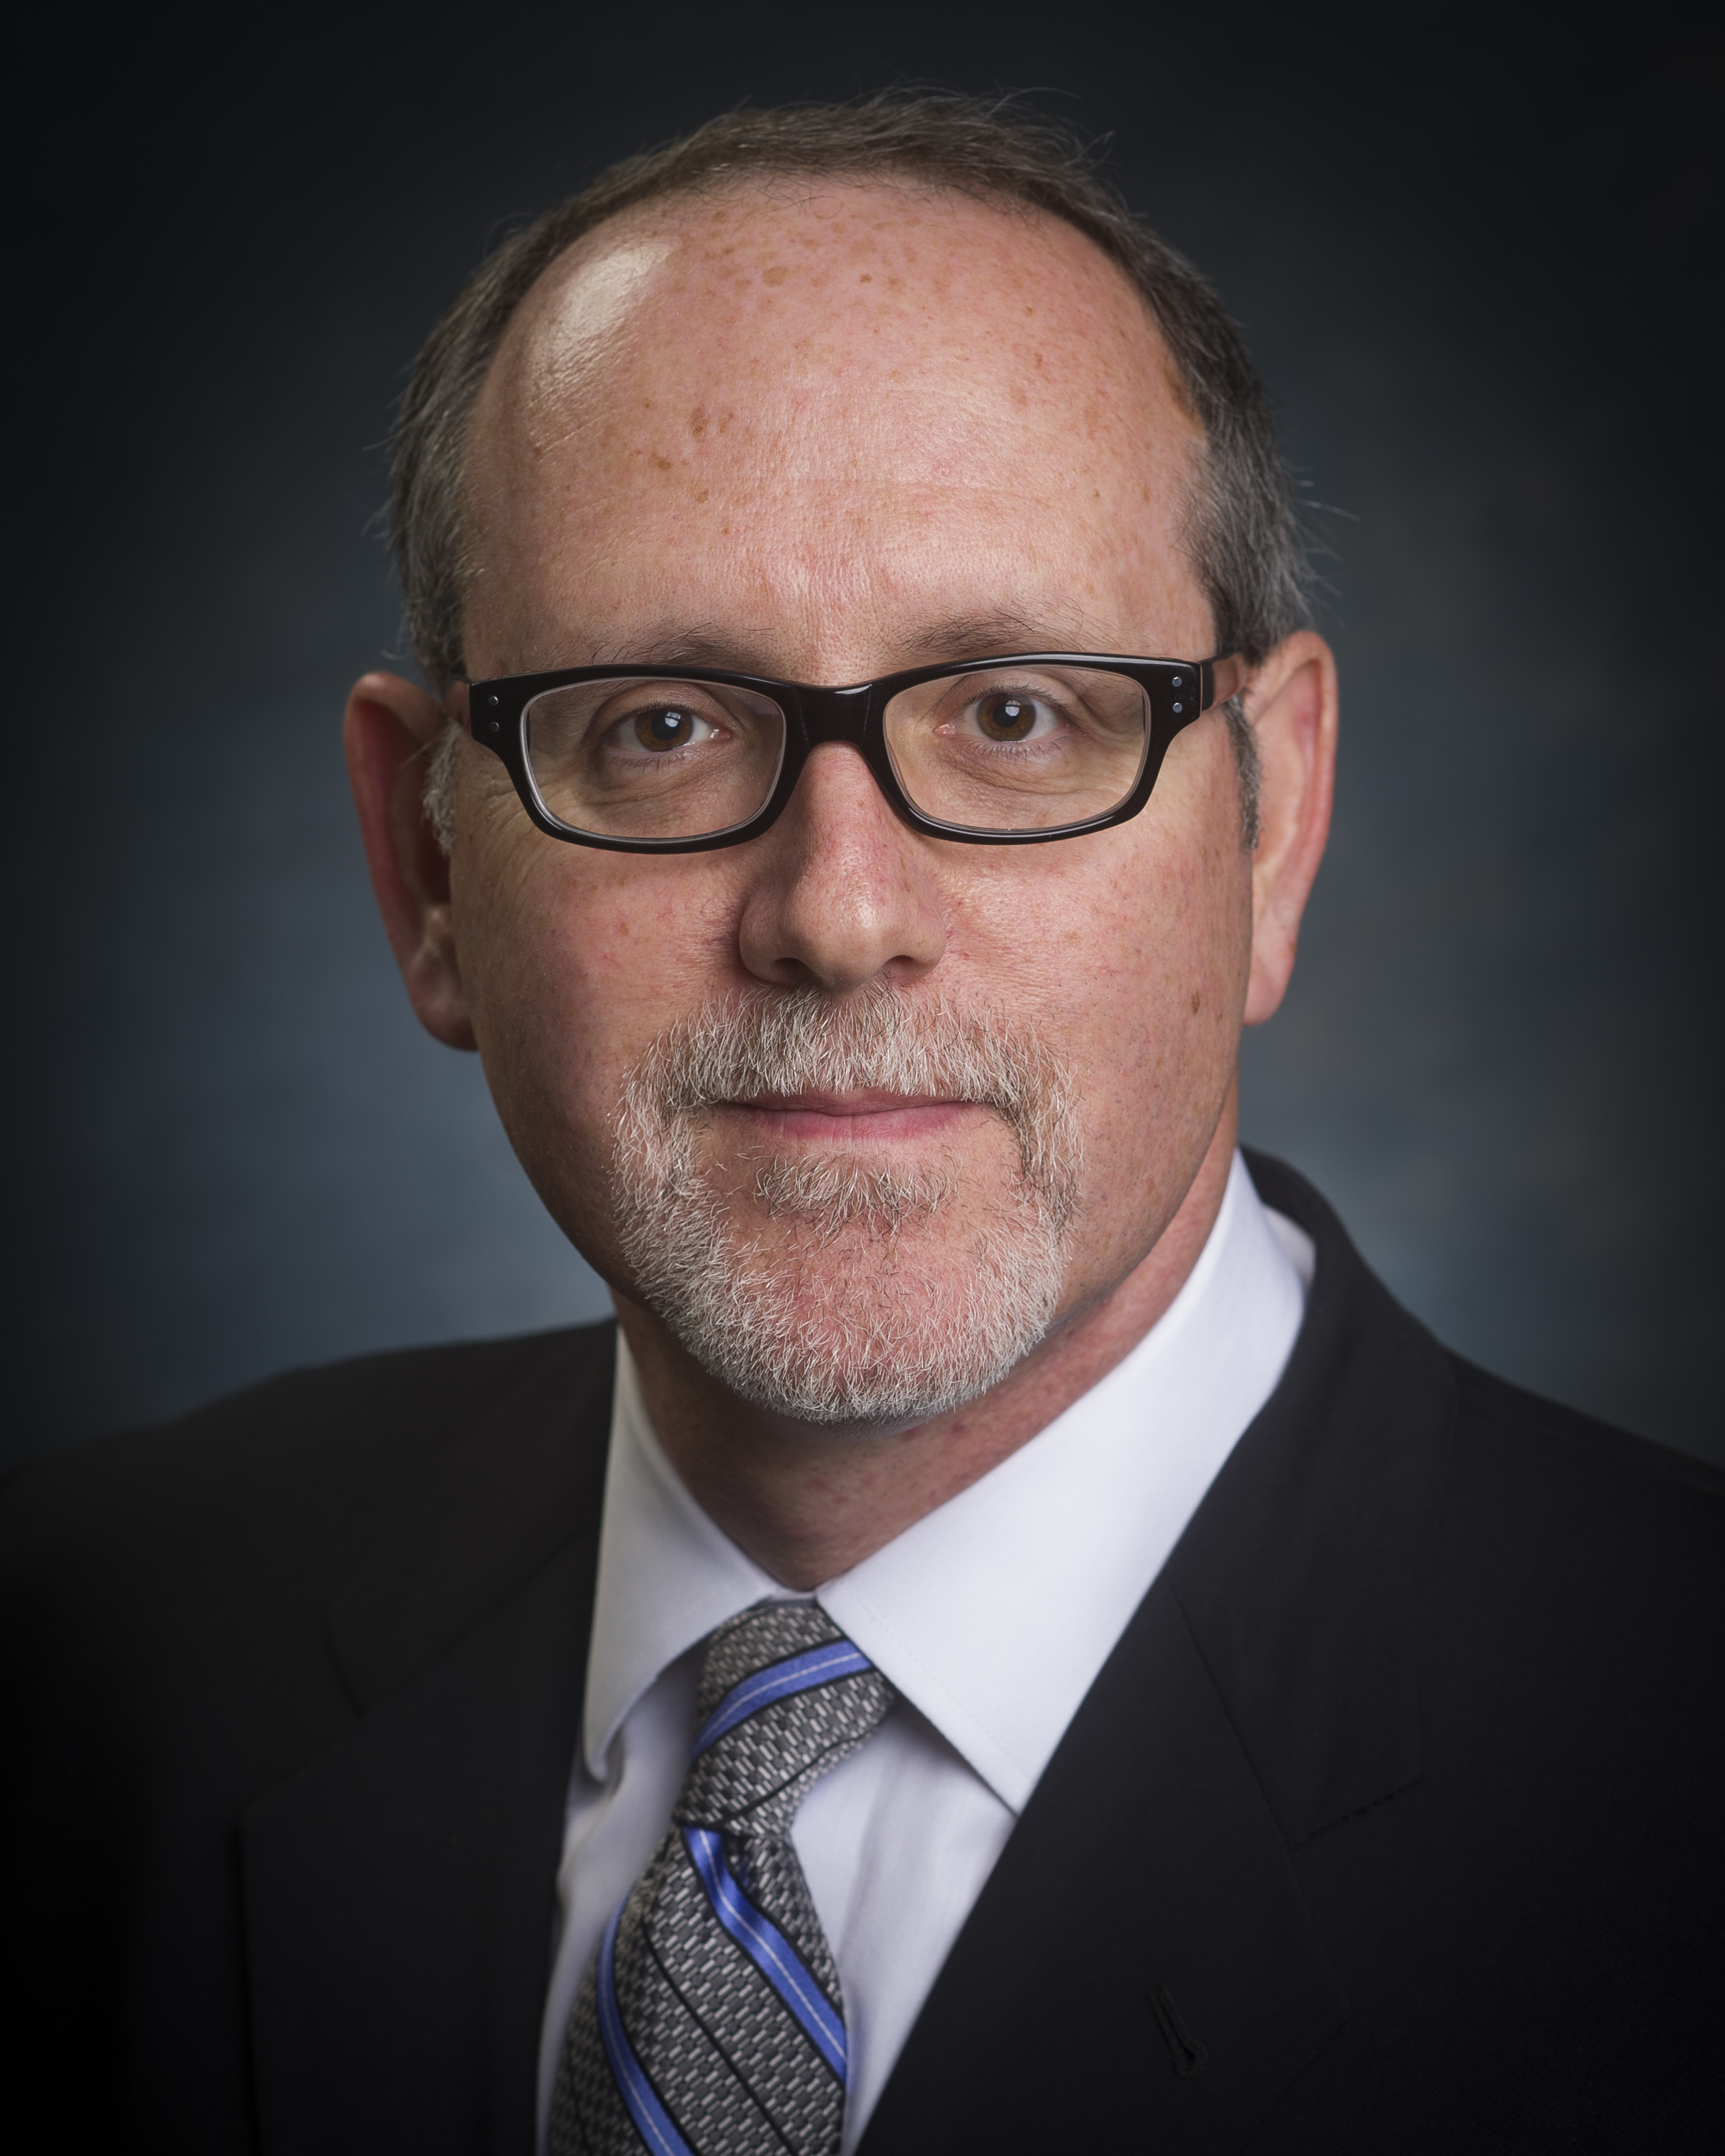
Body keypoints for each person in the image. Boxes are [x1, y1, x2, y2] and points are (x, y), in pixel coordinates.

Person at [3, 93, 1719, 2156]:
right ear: (429, 869)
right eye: (658, 725)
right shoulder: (78, 1648)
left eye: (1013, 715)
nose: (836, 912)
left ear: (1269, 830)